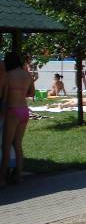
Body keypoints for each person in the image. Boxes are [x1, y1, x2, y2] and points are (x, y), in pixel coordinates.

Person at [1, 52, 35, 186]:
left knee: (6, 146)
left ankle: (2, 179)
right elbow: (32, 93)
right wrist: (20, 92)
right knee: (18, 145)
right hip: (24, 110)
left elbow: (3, 95)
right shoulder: (27, 75)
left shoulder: (8, 75)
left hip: (12, 110)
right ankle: (19, 176)